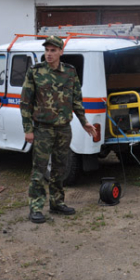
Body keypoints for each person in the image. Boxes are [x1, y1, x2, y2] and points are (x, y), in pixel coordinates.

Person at [21, 35, 97, 224]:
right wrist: (28, 129)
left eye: (53, 50)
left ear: (61, 52)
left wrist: (84, 121)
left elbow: (76, 100)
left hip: (63, 128)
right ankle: (36, 208)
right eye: (47, 50)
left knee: (60, 168)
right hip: (43, 129)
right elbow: (25, 102)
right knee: (39, 170)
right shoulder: (35, 72)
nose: (49, 54)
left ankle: (57, 203)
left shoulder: (70, 72)